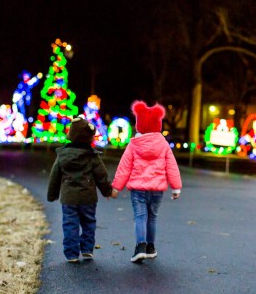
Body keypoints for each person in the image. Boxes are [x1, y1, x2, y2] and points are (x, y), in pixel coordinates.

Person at [111, 101, 182, 263]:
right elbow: (172, 166)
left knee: (140, 217)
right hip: (157, 189)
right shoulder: (163, 144)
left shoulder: (134, 144)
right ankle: (151, 247)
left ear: (139, 124)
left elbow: (124, 167)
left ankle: (140, 246)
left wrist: (116, 187)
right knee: (152, 218)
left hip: (138, 188)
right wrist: (176, 187)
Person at [47, 116, 114, 263]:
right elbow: (101, 176)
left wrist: (52, 194)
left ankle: (71, 253)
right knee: (88, 222)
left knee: (70, 223)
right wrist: (107, 191)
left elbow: (55, 175)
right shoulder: (92, 156)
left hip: (68, 198)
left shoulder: (62, 155)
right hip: (88, 197)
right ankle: (87, 249)